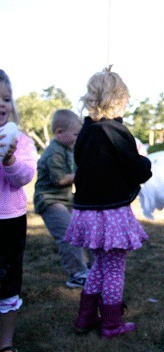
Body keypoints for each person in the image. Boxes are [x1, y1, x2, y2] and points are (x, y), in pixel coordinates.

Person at [64, 67, 152, 339]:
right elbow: (137, 169)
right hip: (109, 213)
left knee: (98, 266)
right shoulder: (116, 131)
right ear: (120, 99)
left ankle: (85, 317)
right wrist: (144, 161)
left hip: (86, 212)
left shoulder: (86, 133)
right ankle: (112, 323)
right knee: (114, 269)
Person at [0, 69, 37, 352]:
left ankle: (6, 342)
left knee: (9, 281)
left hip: (10, 221)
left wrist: (9, 158)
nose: (2, 104)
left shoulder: (22, 142)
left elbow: (23, 177)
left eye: (6, 98)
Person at [34, 109, 92, 289]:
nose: (78, 137)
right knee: (69, 235)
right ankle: (76, 274)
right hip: (49, 200)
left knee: (85, 229)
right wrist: (81, 173)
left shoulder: (67, 148)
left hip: (66, 200)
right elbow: (59, 179)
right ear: (59, 132)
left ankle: (90, 268)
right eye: (75, 134)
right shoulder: (54, 152)